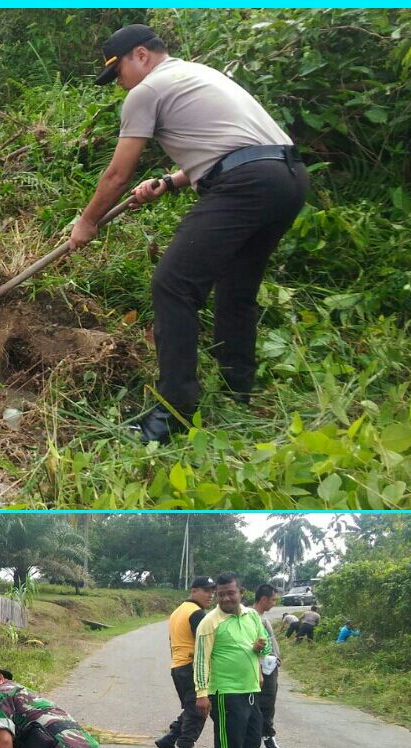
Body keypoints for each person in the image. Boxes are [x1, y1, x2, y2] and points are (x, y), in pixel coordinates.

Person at [70, 24, 310, 443]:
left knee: (173, 284)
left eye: (120, 73)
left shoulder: (146, 91)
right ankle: (238, 390)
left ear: (141, 55)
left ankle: (171, 415)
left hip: (248, 183)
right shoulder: (199, 73)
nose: (120, 85)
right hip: (286, 177)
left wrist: (87, 222)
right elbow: (230, 147)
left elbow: (117, 174)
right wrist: (170, 182)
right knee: (236, 288)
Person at [191, 572, 271, 748]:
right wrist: (201, 693)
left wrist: (260, 650)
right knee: (231, 746)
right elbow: (201, 660)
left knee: (252, 741)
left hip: (250, 690)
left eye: (230, 593)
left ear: (241, 592)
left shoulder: (252, 616)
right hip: (224, 692)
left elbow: (264, 644)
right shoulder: (210, 622)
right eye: (221, 593)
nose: (225, 598)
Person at [155, 575, 216, 748]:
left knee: (192, 708)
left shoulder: (178, 611)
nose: (210, 595)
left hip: (178, 666)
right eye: (206, 591)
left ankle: (169, 739)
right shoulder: (197, 613)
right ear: (194, 590)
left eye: (212, 591)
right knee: (199, 710)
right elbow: (206, 645)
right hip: (190, 666)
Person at [252, 583, 293, 748]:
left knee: (261, 704)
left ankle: (264, 741)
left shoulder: (261, 617)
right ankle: (269, 743)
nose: (274, 603)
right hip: (264, 667)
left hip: (269, 665)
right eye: (273, 599)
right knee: (266, 704)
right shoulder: (254, 618)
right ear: (263, 599)